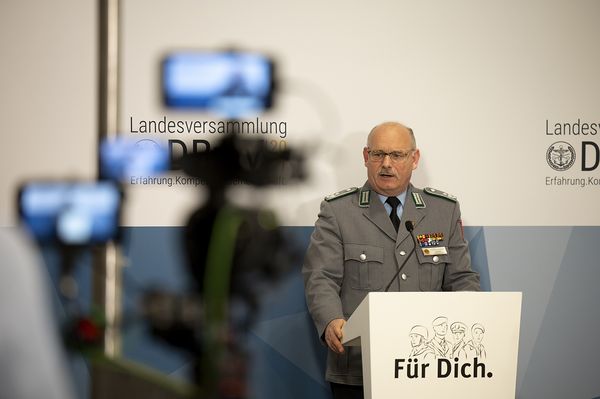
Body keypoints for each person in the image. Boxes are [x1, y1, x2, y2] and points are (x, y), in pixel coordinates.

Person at [302, 121, 480, 399]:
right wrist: (330, 320)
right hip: (359, 365)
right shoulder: (338, 211)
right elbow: (321, 277)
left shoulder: (442, 211)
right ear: (365, 157)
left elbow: (461, 279)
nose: (386, 163)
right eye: (378, 154)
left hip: (427, 366)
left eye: (397, 155)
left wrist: (471, 325)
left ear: (414, 158)